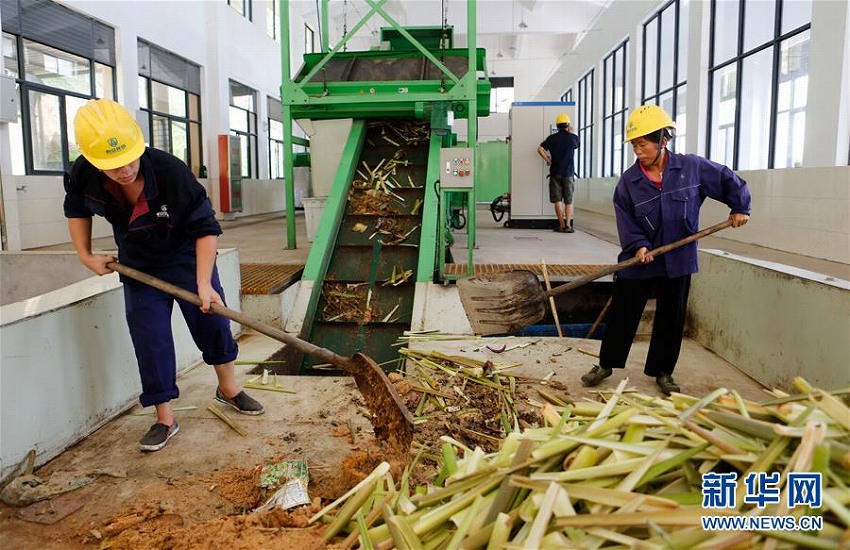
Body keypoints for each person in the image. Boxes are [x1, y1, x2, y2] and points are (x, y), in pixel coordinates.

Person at [64, 99, 264, 452]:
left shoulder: (170, 171)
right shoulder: (82, 172)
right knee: (150, 338)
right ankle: (164, 418)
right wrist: (85, 255)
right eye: (112, 167)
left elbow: (206, 228)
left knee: (214, 323)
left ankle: (228, 390)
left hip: (187, 258)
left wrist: (204, 282)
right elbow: (76, 208)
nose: (124, 170)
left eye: (129, 159)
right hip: (138, 265)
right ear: (94, 161)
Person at [580, 105, 751, 395]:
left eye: (643, 143)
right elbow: (625, 217)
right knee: (624, 310)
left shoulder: (691, 168)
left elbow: (726, 178)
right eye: (634, 144)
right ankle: (606, 364)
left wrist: (740, 207)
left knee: (671, 317)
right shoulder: (629, 182)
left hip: (678, 257)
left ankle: (662, 371)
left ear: (663, 140)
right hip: (640, 258)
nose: (638, 150)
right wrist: (638, 245)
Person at [537, 113, 580, 233]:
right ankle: (568, 225)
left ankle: (561, 225)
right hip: (568, 174)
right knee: (568, 200)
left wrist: (548, 160)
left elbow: (540, 149)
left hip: (555, 173)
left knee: (557, 200)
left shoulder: (552, 138)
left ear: (557, 125)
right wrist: (572, 132)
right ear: (568, 125)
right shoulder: (573, 138)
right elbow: (577, 144)